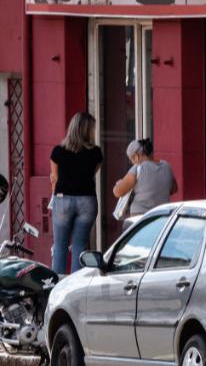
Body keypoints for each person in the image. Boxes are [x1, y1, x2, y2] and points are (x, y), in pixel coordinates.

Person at [50, 112, 104, 275]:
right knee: (80, 246)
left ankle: (56, 286)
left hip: (63, 199)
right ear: (88, 131)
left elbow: (55, 178)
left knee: (60, 245)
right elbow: (92, 173)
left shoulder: (58, 151)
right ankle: (75, 287)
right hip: (87, 200)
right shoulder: (96, 153)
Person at [113, 139, 178, 217]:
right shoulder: (166, 166)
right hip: (162, 215)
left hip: (141, 217)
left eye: (131, 159)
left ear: (136, 156)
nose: (132, 162)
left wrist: (118, 183)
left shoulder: (138, 168)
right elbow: (174, 189)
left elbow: (119, 192)